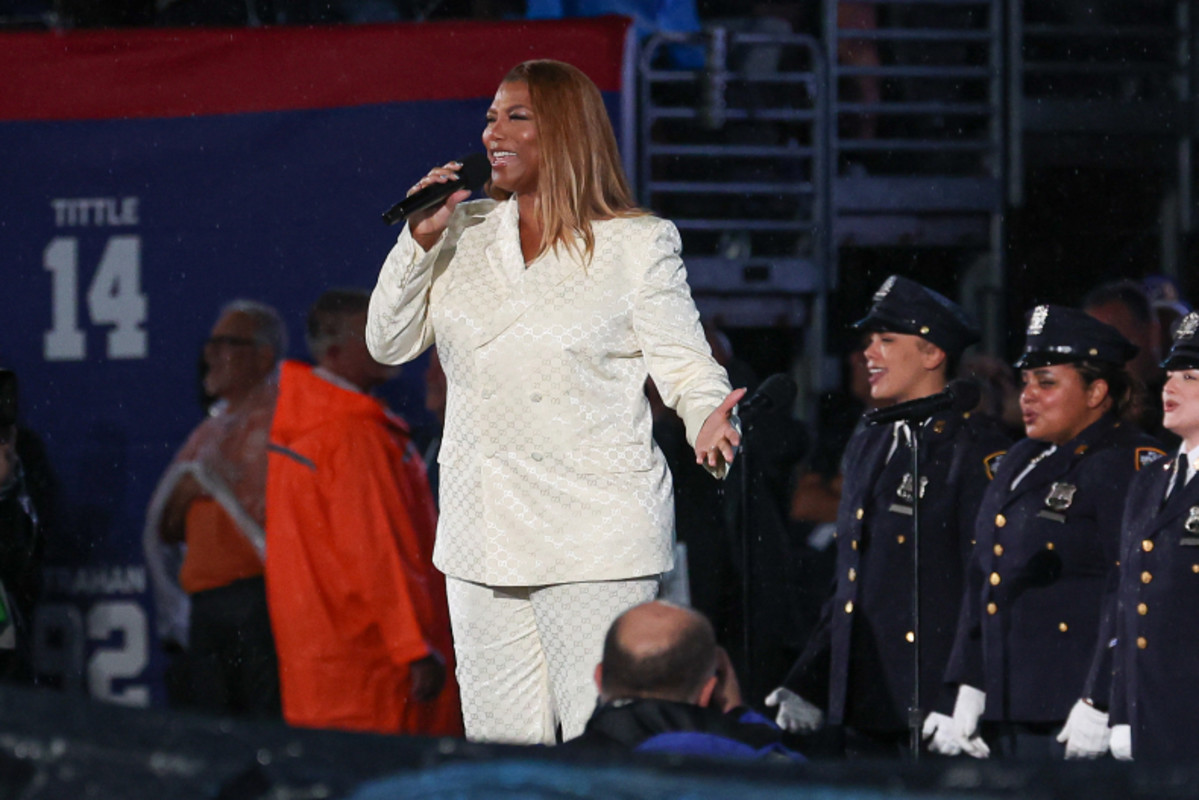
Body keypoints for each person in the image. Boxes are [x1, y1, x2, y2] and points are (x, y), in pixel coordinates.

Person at [366, 59, 742, 745]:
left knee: (601, 738)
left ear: (566, 132)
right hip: (482, 532)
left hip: (593, 531)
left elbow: (685, 366)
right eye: (488, 117)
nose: (491, 133)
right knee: (501, 750)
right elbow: (388, 344)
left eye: (516, 117)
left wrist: (706, 417)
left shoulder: (635, 243)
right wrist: (416, 242)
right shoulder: (462, 229)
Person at [766, 275, 1011, 757]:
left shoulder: (974, 451)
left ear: (932, 354)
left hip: (934, 710)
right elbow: (851, 582)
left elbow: (987, 586)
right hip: (864, 703)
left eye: (886, 340)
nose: (869, 354)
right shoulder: (872, 440)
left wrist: (965, 688)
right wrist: (813, 678)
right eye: (867, 341)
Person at [934, 305, 1166, 759]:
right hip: (1008, 703)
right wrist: (969, 678)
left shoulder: (1125, 461)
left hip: (1073, 712)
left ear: (1097, 390)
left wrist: (1103, 697)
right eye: (1025, 382)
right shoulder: (1020, 458)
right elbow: (985, 574)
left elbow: (1134, 590)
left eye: (1047, 382)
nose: (1028, 396)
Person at [265, 289, 463, 736]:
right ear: (335, 347)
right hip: (376, 665)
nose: (390, 335)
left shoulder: (307, 422)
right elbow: (378, 550)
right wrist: (412, 646)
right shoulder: (352, 434)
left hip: (327, 660)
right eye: (374, 328)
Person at [143, 300, 284, 718]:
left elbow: (270, 511)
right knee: (213, 737)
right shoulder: (208, 432)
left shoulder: (282, 420)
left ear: (263, 356)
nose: (210, 354)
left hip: (259, 601)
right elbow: (169, 524)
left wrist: (204, 485)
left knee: (264, 733)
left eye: (226, 343)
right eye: (211, 343)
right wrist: (203, 485)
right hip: (207, 608)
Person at [1103, 311, 1199, 761]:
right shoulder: (1151, 478)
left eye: (1190, 376)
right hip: (1150, 715)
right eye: (1169, 376)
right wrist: (1120, 710)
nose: (1170, 387)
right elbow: (1127, 602)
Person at [565, 600, 802, 760]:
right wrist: (738, 714)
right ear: (707, 691)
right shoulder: (757, 772)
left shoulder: (549, 774)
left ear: (598, 677)